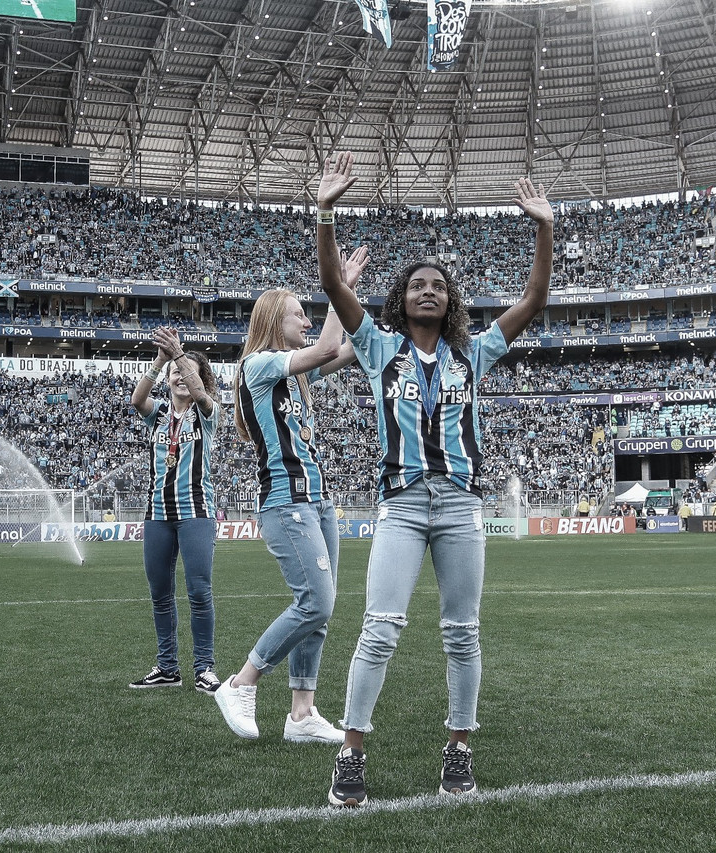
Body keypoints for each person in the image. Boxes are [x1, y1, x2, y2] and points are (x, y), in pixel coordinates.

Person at [315, 151, 554, 806]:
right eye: (417, 283)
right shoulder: (378, 346)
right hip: (400, 503)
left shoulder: (473, 351)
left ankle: (458, 747)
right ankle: (351, 749)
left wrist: (543, 227)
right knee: (381, 624)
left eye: (438, 285)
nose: (428, 289)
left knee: (462, 630)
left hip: (458, 505)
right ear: (401, 297)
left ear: (449, 301)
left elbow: (534, 298)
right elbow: (336, 289)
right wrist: (327, 212)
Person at [213, 247, 369, 744]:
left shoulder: (293, 373)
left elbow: (345, 349)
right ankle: (241, 682)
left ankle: (302, 713)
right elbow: (326, 347)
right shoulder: (258, 364)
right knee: (316, 604)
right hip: (287, 501)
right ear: (273, 320)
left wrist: (357, 309)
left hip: (318, 502)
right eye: (298, 312)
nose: (306, 319)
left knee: (320, 611)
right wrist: (335, 288)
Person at [128, 327, 222, 695]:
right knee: (160, 594)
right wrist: (162, 360)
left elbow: (200, 391)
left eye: (189, 373)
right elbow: (137, 400)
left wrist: (181, 356)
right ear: (167, 381)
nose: (182, 378)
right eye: (175, 375)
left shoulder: (206, 412)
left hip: (196, 511)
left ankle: (204, 668)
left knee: (199, 591)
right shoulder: (159, 414)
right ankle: (167, 667)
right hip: (157, 514)